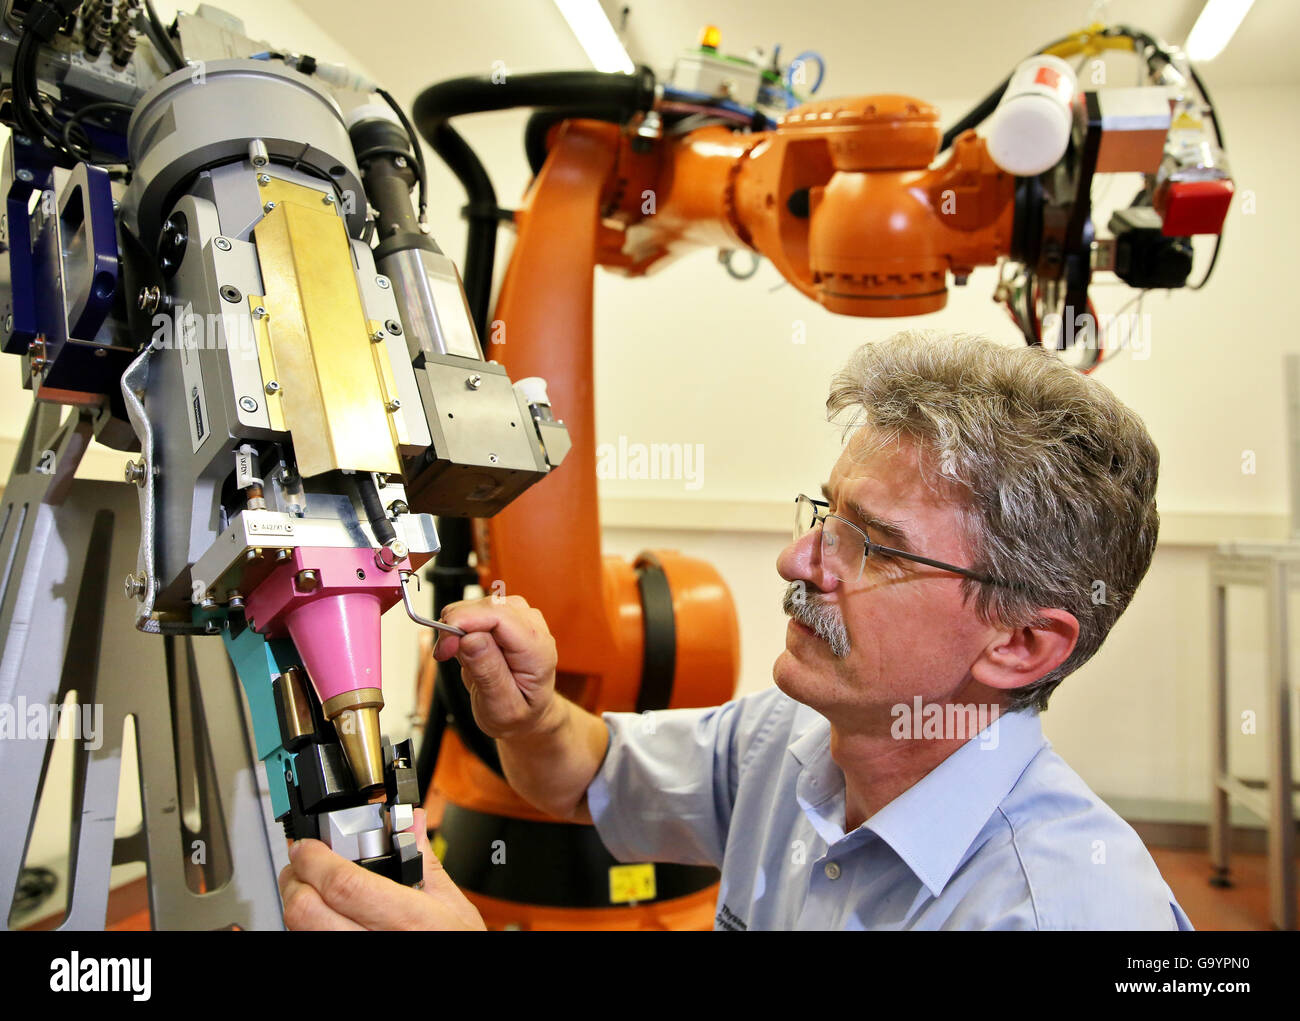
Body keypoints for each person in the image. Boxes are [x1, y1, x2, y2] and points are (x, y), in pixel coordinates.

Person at [279, 329, 1191, 930]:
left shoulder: (1065, 910)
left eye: (872, 547)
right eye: (824, 516)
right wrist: (530, 716)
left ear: (1020, 644)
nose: (800, 563)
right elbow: (586, 776)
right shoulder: (790, 744)